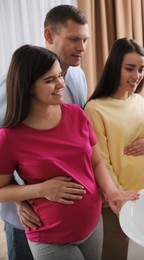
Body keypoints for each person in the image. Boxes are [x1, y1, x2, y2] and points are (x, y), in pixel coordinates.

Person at [0, 44, 140, 259]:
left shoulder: (76, 114)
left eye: (60, 76)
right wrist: (41, 190)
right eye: (49, 80)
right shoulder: (10, 136)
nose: (60, 84)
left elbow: (96, 163)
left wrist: (111, 192)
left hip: (93, 223)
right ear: (27, 86)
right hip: (50, 236)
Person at [0, 5, 90, 260]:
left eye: (85, 40)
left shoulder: (79, 76)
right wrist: (21, 198)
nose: (82, 48)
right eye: (74, 39)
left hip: (71, 215)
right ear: (49, 36)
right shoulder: (12, 88)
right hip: (30, 217)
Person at [84, 38, 144, 260]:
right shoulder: (95, 109)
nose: (137, 75)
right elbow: (102, 163)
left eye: (141, 69)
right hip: (116, 203)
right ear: (115, 66)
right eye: (130, 68)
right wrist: (123, 207)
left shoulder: (139, 102)